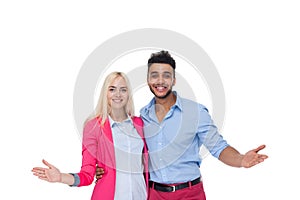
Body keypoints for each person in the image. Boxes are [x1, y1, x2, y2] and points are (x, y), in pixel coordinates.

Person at [96, 51, 268, 200]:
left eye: (166, 75)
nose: (160, 80)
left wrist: (240, 159)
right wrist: (103, 170)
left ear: (174, 80)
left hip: (189, 193)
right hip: (154, 195)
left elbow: (218, 147)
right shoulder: (142, 117)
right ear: (148, 80)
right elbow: (130, 150)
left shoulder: (195, 112)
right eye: (154, 75)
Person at [32, 71, 149, 200]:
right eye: (112, 89)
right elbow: (87, 174)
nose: (118, 94)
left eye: (123, 90)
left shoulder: (140, 124)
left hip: (140, 195)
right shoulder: (93, 126)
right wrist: (61, 177)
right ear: (105, 93)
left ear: (128, 94)